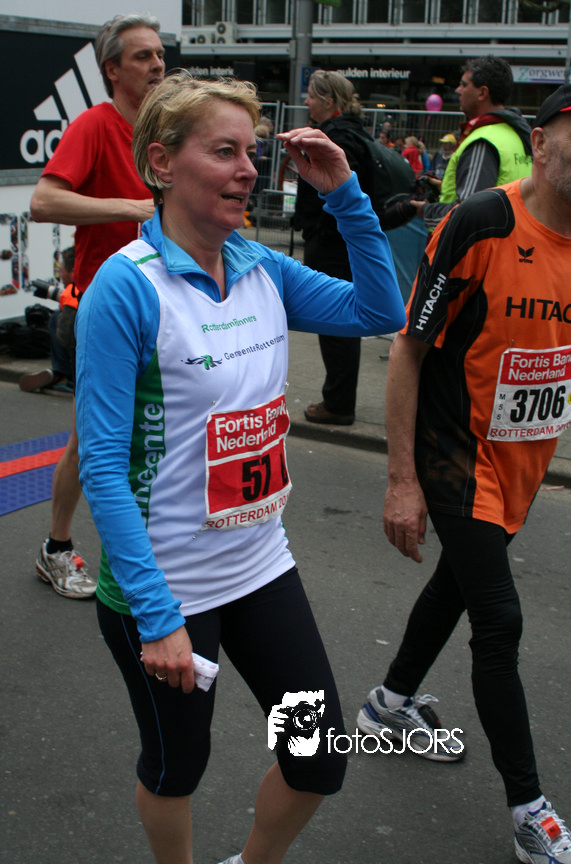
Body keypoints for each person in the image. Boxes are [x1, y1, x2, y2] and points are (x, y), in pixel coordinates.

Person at [74, 72, 405, 864]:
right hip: (166, 591)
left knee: (317, 758)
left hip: (260, 569)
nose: (249, 170)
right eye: (224, 152)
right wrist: (158, 617)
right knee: (178, 767)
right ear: (162, 163)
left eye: (252, 153)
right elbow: (103, 466)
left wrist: (344, 193)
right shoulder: (127, 288)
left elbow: (379, 311)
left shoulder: (261, 268)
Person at [357, 83, 571, 864]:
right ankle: (529, 810)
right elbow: (408, 349)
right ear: (541, 145)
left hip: (520, 463)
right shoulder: (481, 224)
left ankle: (389, 702)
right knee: (499, 620)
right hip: (455, 453)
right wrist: (402, 481)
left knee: (456, 585)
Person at [29, 13, 165, 599]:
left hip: (162, 307)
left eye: (160, 54)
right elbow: (43, 202)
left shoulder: (165, 128)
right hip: (102, 309)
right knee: (92, 441)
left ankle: (148, 553)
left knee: (157, 434)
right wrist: (132, 208)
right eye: (142, 56)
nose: (157, 64)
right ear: (112, 69)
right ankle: (56, 549)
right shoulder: (94, 124)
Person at [295, 69, 377, 426]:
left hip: (332, 244)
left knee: (335, 321)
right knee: (340, 321)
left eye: (312, 95)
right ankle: (338, 398)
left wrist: (320, 229)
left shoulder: (337, 137)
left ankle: (338, 403)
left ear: (329, 100)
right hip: (336, 242)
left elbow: (342, 190)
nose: (307, 101)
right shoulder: (354, 132)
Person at [401, 56, 533, 232]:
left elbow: (469, 214)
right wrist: (444, 186)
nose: (457, 90)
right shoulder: (516, 133)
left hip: (480, 246)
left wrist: (426, 211)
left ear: (482, 93)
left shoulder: (482, 141)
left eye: (464, 85)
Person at [18, 246, 77, 394]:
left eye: (61, 270)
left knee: (56, 318)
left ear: (73, 271)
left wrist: (64, 307)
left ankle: (66, 375)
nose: (60, 275)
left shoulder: (72, 293)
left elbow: (65, 338)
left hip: (86, 357)